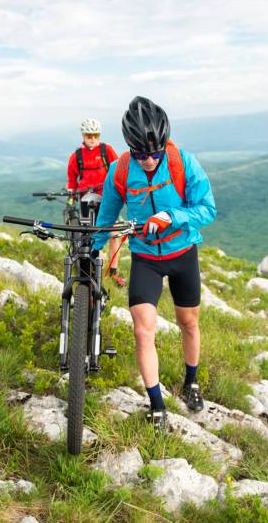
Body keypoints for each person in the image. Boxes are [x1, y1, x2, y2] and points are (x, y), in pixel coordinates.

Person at [92, 97, 217, 432]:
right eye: (140, 153)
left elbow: (207, 209)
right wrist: (94, 248)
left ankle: (191, 381)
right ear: (130, 147)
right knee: (142, 328)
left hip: (182, 253)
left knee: (188, 323)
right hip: (146, 258)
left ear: (164, 145)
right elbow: (107, 213)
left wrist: (171, 215)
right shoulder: (120, 169)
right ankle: (157, 404)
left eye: (154, 153)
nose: (148, 161)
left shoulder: (182, 163)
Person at [66, 118, 127, 287]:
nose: (92, 138)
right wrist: (71, 194)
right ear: (83, 135)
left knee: (114, 233)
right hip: (86, 198)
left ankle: (113, 272)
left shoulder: (107, 150)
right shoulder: (77, 155)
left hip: (108, 198)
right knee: (89, 234)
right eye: (88, 135)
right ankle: (89, 269)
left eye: (95, 135)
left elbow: (119, 168)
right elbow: (72, 179)